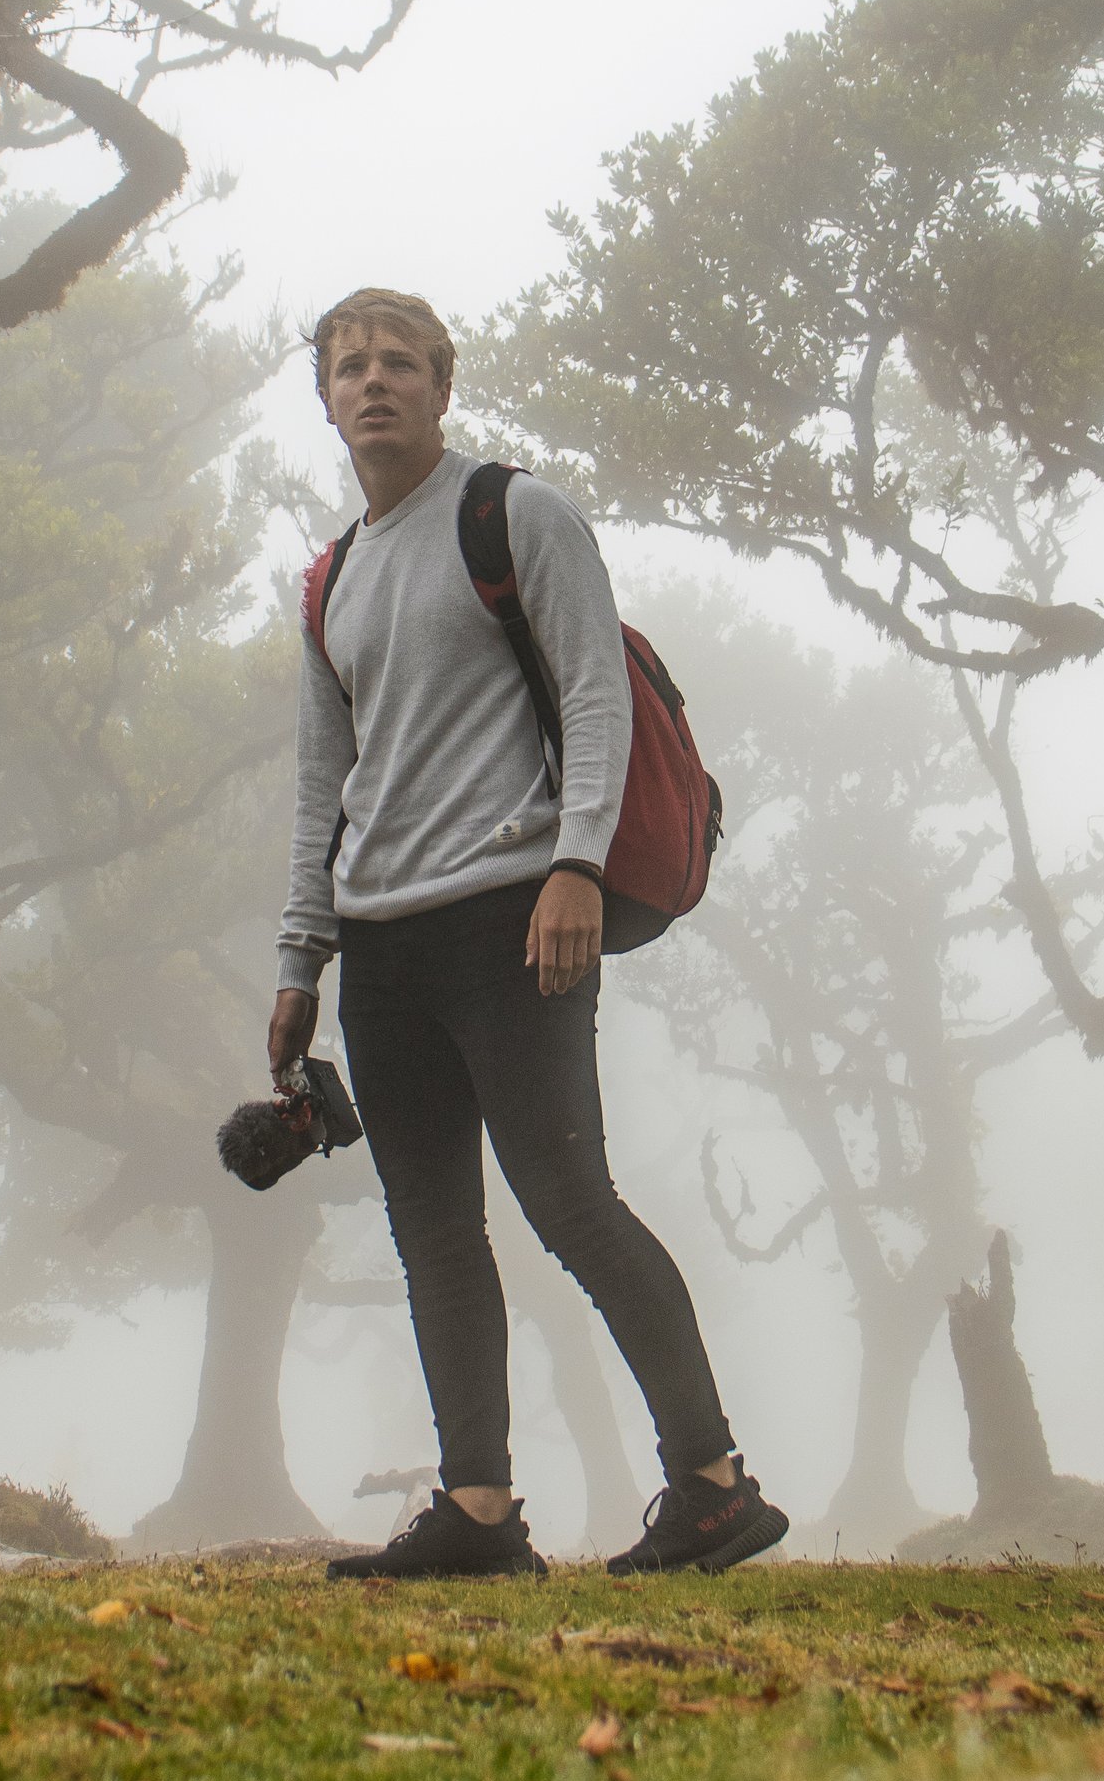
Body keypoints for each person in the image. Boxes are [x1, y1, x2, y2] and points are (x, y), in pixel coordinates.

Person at [271, 286, 787, 1579]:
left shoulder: (517, 514)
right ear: (325, 396)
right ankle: (480, 1508)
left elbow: (597, 699)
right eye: (350, 366)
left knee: (570, 1201)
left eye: (400, 363)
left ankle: (714, 1484)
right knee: (433, 1226)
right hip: (382, 945)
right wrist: (300, 959)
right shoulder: (330, 579)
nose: (374, 382)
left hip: (515, 919)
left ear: (443, 386)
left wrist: (573, 867)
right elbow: (323, 780)